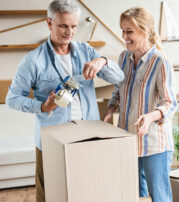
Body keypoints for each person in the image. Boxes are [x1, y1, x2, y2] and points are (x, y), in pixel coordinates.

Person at [6, 0, 124, 201]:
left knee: (88, 191)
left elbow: (118, 77)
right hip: (53, 140)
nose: (69, 32)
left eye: (73, 26)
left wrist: (102, 61)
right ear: (49, 23)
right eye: (63, 25)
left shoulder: (86, 51)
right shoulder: (33, 60)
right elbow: (12, 99)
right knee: (50, 195)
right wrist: (42, 106)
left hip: (89, 136)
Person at [104, 7, 177, 202]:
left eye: (129, 32)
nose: (124, 36)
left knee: (159, 197)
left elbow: (169, 103)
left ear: (146, 32)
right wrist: (111, 109)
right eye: (122, 30)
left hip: (154, 144)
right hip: (128, 140)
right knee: (134, 195)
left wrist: (150, 116)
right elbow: (119, 90)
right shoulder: (123, 58)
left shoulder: (161, 62)